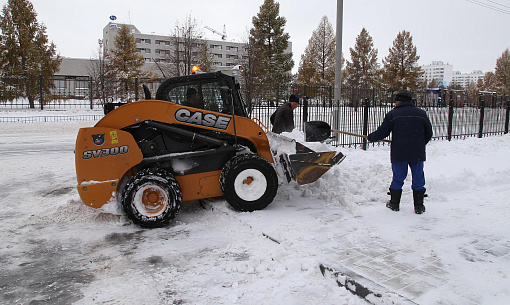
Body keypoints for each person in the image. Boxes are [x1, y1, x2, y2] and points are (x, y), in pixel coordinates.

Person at [367, 89, 433, 214]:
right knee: (418, 177)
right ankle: (419, 206)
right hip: (417, 152)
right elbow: (429, 132)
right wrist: (419, 143)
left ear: (399, 100)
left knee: (398, 177)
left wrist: (371, 137)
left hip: (399, 151)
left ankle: (394, 204)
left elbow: (383, 132)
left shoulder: (393, 114)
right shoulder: (421, 113)